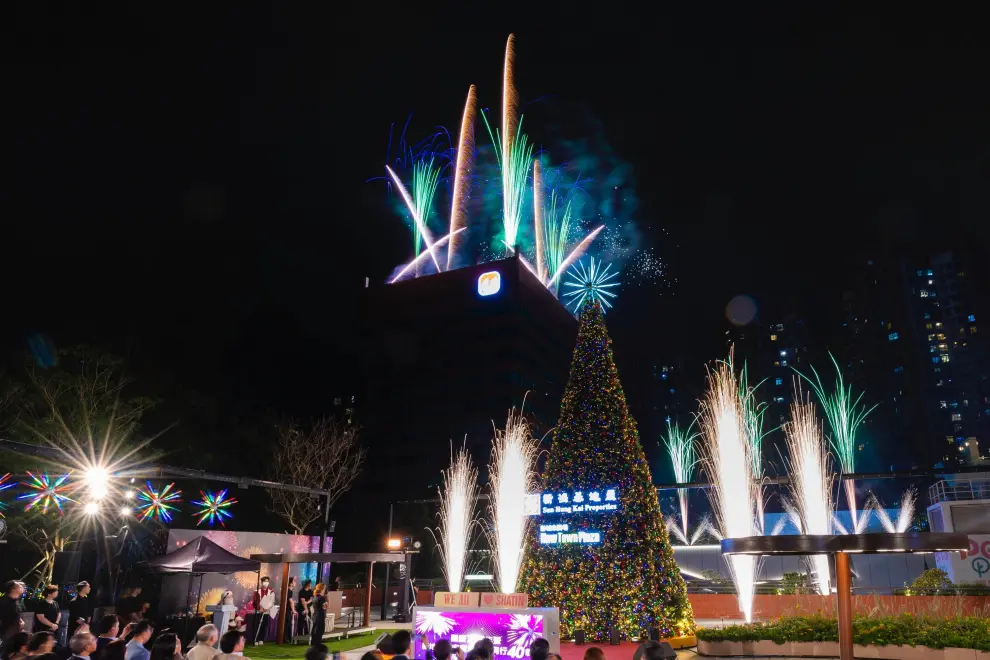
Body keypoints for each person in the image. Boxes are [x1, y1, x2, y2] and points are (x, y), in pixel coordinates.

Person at [250, 579, 274, 646]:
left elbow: (272, 601)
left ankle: (261, 639)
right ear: (261, 582)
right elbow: (255, 601)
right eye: (265, 581)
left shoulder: (271, 591)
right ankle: (255, 639)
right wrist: (259, 608)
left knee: (264, 625)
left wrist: (267, 608)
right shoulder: (257, 591)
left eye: (267, 581)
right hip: (258, 611)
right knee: (257, 625)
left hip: (266, 611)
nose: (266, 583)